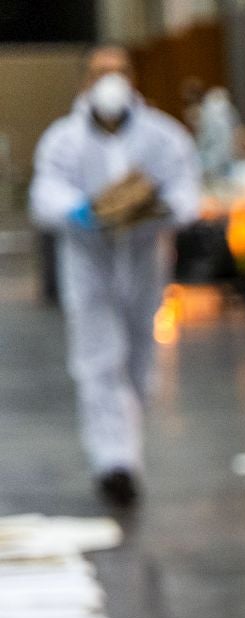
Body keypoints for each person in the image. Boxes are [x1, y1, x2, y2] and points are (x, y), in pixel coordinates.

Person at [30, 45, 200, 507]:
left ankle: (126, 450)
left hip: (144, 261)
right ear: (86, 79)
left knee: (139, 365)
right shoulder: (63, 139)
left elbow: (187, 191)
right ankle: (113, 463)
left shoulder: (163, 136)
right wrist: (81, 211)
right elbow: (45, 194)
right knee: (98, 362)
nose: (110, 81)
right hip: (89, 264)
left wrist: (157, 210)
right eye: (101, 72)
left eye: (119, 72)